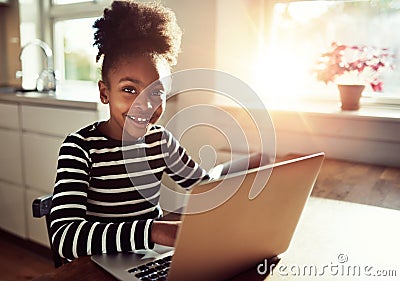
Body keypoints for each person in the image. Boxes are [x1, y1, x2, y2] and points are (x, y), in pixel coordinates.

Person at [49, 0, 208, 261]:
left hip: (147, 259)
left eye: (156, 92)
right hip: (96, 267)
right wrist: (154, 231)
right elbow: (66, 239)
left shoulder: (161, 142)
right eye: (129, 90)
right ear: (104, 93)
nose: (144, 104)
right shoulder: (79, 149)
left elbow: (204, 188)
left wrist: (248, 168)